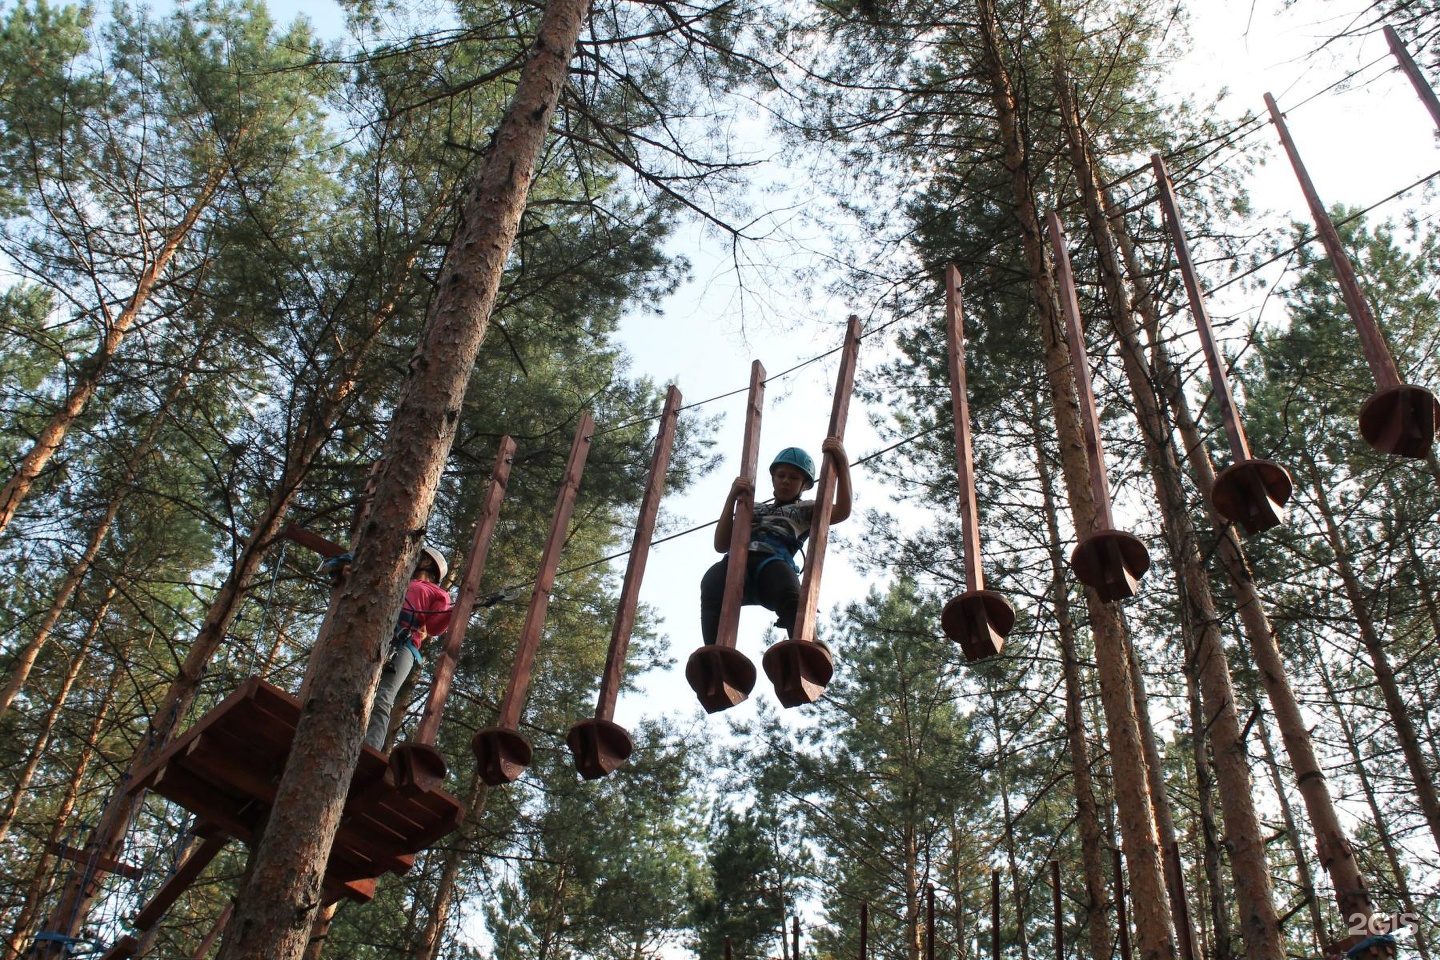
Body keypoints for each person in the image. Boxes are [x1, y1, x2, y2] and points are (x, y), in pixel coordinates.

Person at [700, 438, 852, 646]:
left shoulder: (805, 509)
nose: (786, 481)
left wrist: (842, 462)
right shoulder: (752, 508)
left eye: (794, 477)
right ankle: (714, 649)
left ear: (805, 485)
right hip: (738, 561)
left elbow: (842, 510)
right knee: (712, 582)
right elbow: (721, 544)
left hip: (772, 561)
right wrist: (732, 497)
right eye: (781, 475)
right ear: (772, 479)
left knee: (788, 590)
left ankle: (806, 643)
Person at [323, 544, 454, 751]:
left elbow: (435, 627)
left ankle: (371, 747)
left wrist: (454, 612)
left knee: (383, 697)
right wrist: (348, 570)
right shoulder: (397, 577)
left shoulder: (437, 593)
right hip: (374, 632)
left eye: (417, 556)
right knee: (347, 683)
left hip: (403, 645)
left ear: (427, 562)